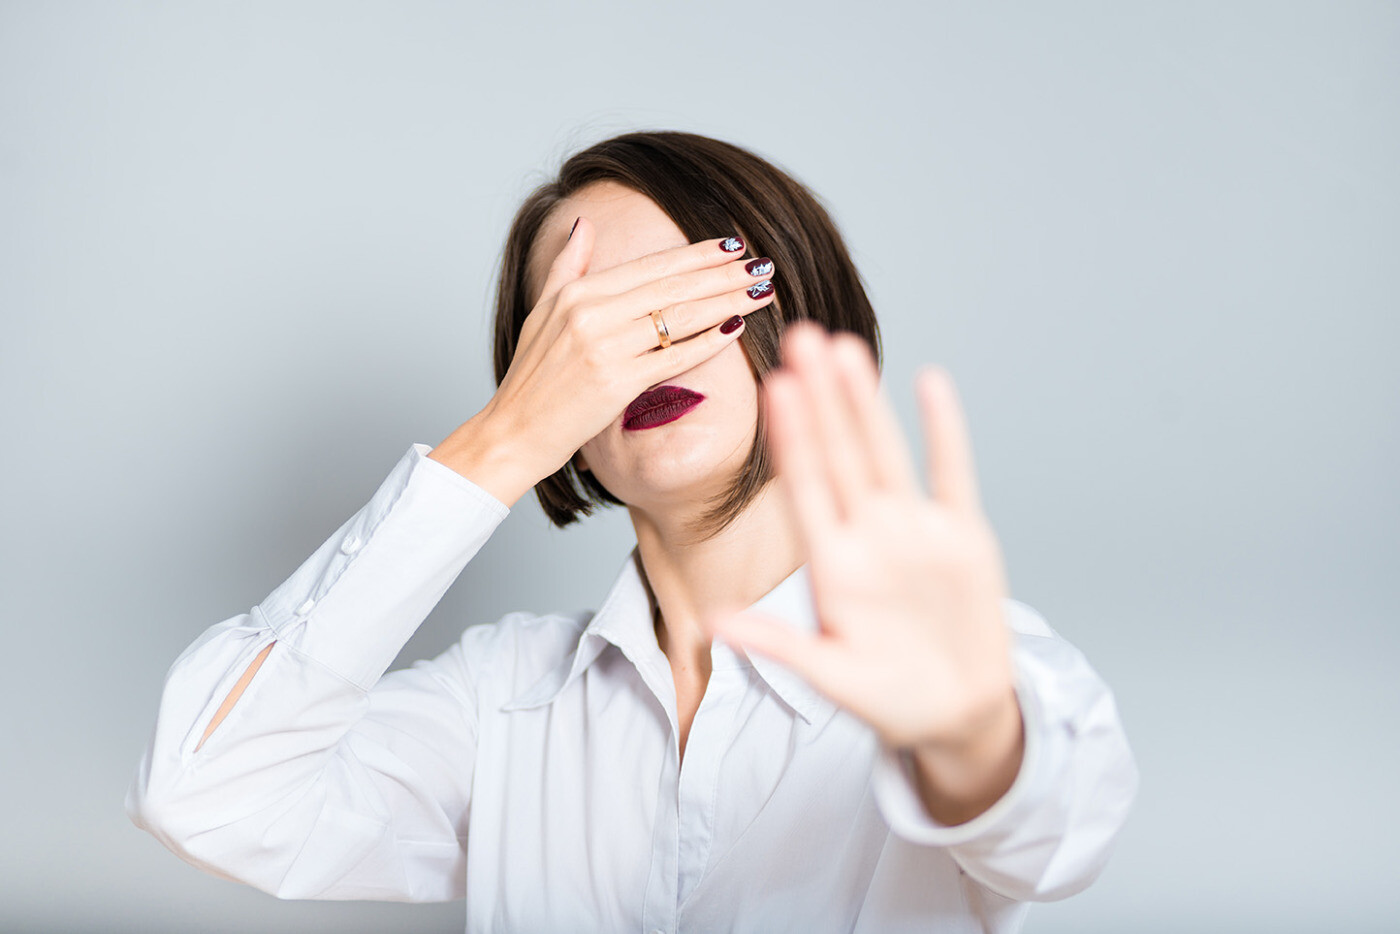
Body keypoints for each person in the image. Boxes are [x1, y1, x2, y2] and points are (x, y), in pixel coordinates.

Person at [126, 130, 1139, 933]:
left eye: (677, 299)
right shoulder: (499, 704)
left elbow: (1056, 827)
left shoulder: (956, 656)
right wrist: (503, 438)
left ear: (787, 308)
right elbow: (204, 794)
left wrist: (965, 736)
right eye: (584, 331)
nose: (641, 354)